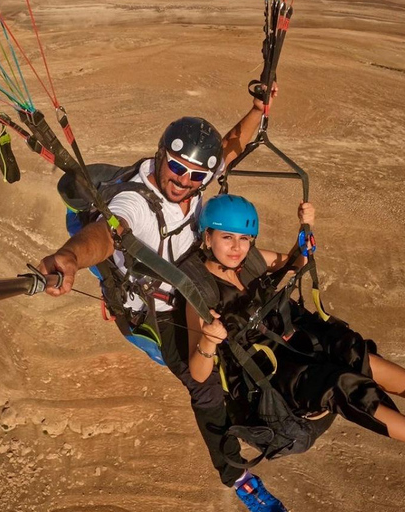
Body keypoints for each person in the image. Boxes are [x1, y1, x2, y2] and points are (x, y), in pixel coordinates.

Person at [38, 94, 288, 511]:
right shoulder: (135, 202)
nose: (184, 180)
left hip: (196, 281)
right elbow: (104, 234)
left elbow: (230, 143)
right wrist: (69, 257)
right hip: (158, 310)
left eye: (195, 175)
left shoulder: (197, 179)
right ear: (161, 157)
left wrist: (259, 109)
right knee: (205, 386)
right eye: (176, 168)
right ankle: (237, 476)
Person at [184, 194, 405, 493]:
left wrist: (304, 235)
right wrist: (210, 341)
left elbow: (293, 263)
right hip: (270, 373)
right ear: (207, 237)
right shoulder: (201, 295)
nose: (237, 247)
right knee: (338, 384)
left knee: (351, 349)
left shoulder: (251, 260)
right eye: (227, 237)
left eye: (244, 238)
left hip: (294, 338)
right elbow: (198, 375)